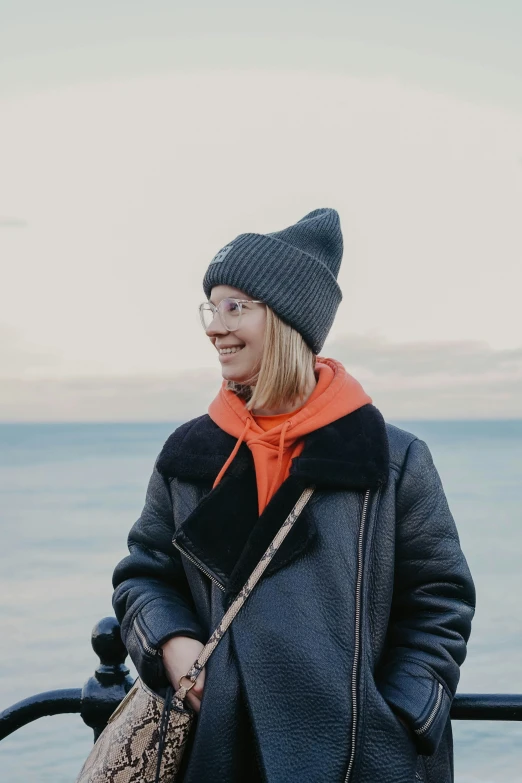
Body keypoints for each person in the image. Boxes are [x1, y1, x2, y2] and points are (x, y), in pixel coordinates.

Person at [112, 207, 476, 783]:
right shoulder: (191, 453)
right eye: (212, 306)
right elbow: (143, 575)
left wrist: (401, 719)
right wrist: (171, 645)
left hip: (360, 762)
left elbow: (440, 601)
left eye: (236, 307)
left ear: (286, 320)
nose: (214, 325)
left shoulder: (391, 459)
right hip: (221, 752)